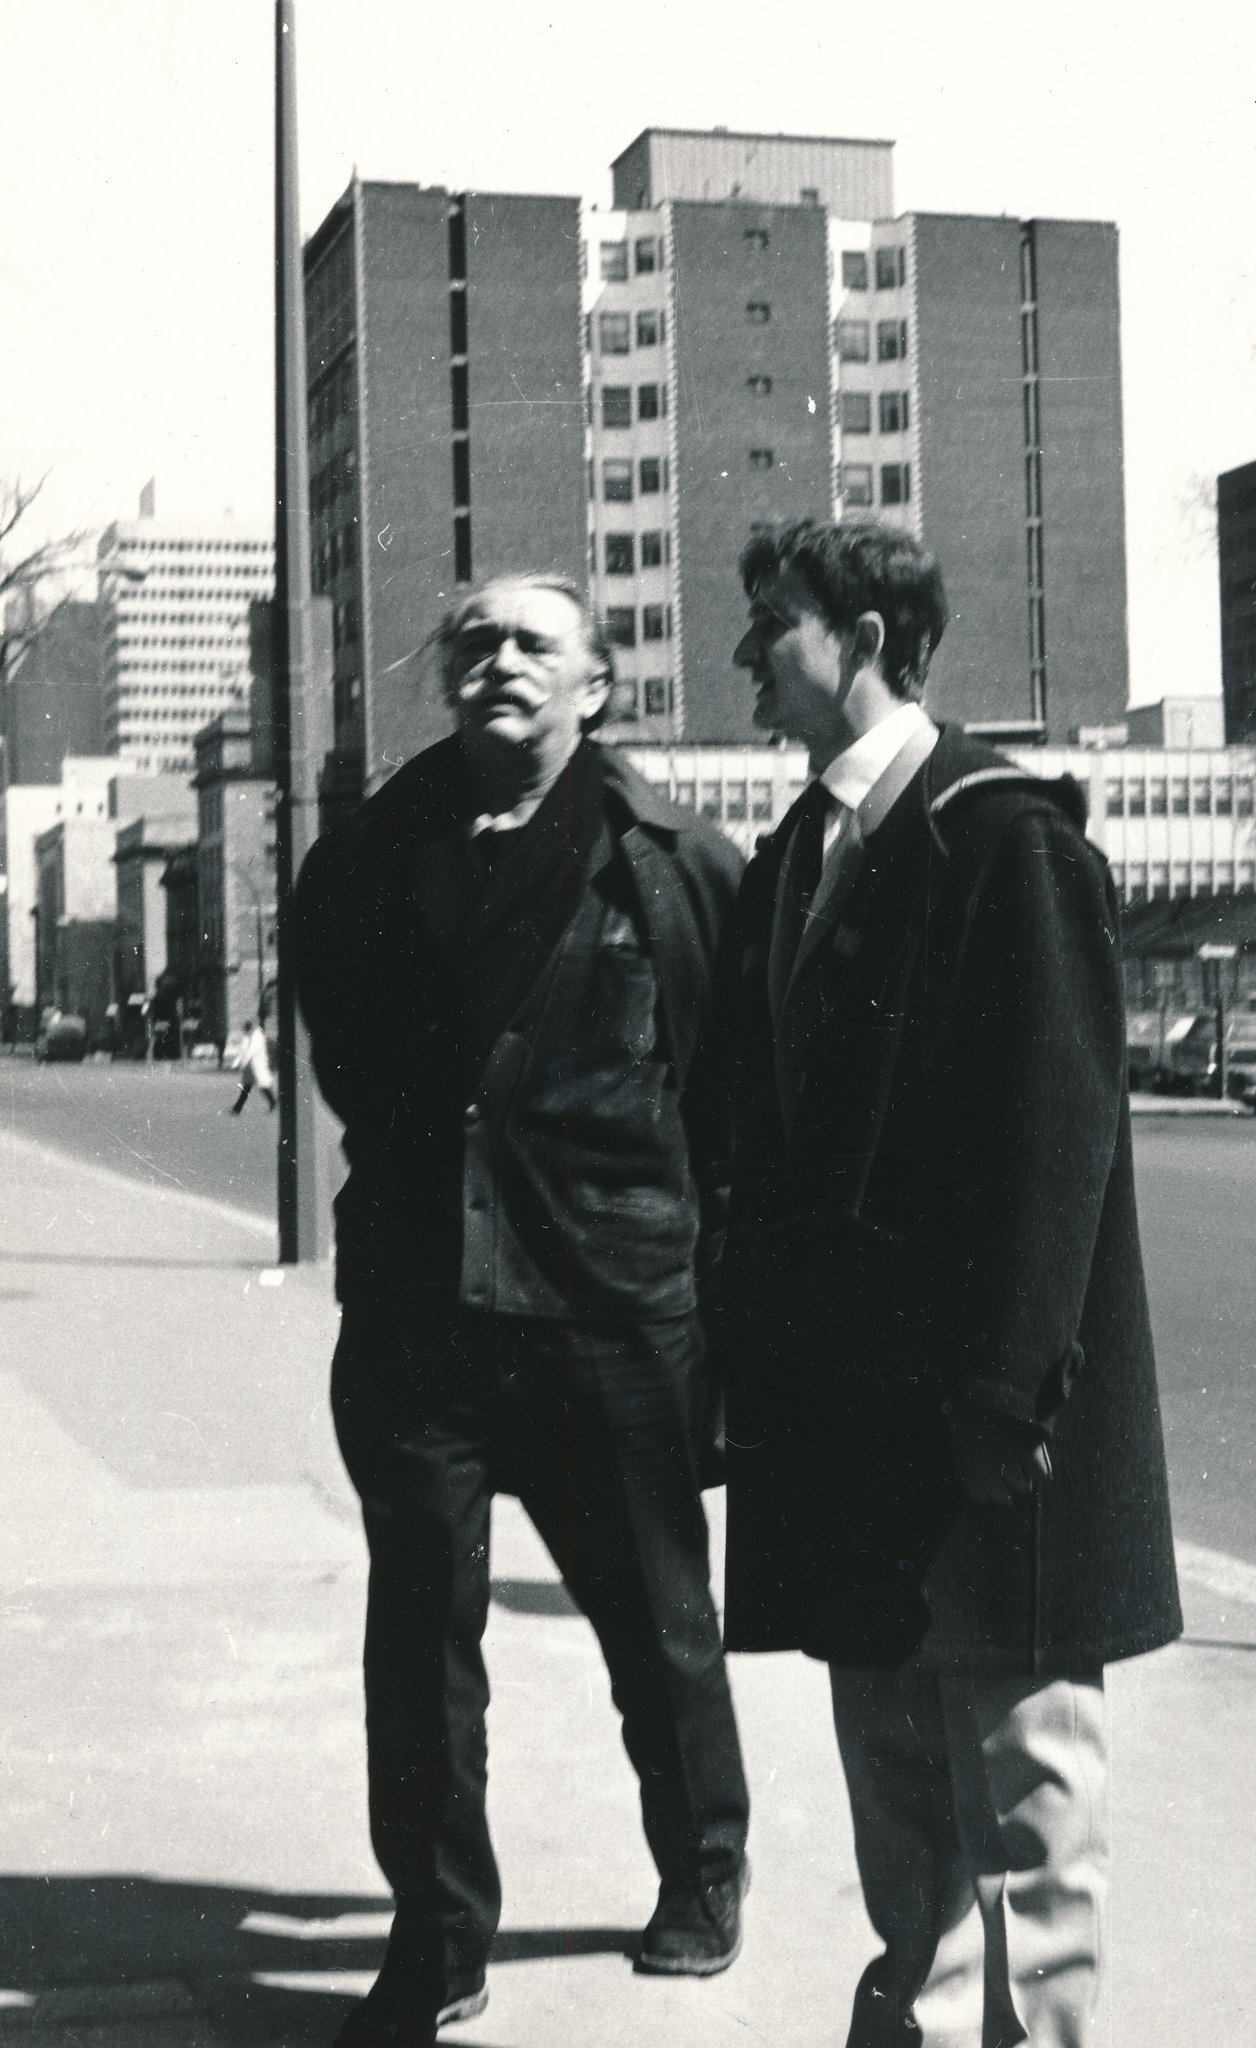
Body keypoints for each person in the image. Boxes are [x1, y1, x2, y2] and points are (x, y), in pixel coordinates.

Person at [718, 520, 1182, 2047]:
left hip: (987, 1444)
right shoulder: (794, 858)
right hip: (854, 1442)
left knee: (1029, 1831)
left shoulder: (1002, 838)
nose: (745, 653)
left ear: (866, 639)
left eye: (773, 622)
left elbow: (1059, 1144)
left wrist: (1003, 1398)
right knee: (903, 1835)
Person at [293, 572, 750, 2048]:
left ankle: (704, 1868)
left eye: (534, 642)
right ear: (447, 675)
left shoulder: (673, 861)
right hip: (419, 1316)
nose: (499, 658)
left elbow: (723, 1091)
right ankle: (435, 1940)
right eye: (475, 639)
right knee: (418, 1649)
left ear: (595, 685)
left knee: (658, 1624)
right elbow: (348, 1057)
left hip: (608, 1312)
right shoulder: (367, 860)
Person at [229, 1018, 276, 1113]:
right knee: (247, 1087)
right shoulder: (247, 1037)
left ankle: (273, 1102)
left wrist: (241, 1063)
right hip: (249, 1068)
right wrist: (236, 1063)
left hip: (258, 1065)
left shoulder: (258, 1037)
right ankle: (237, 1108)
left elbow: (251, 1051)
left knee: (262, 1085)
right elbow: (242, 1051)